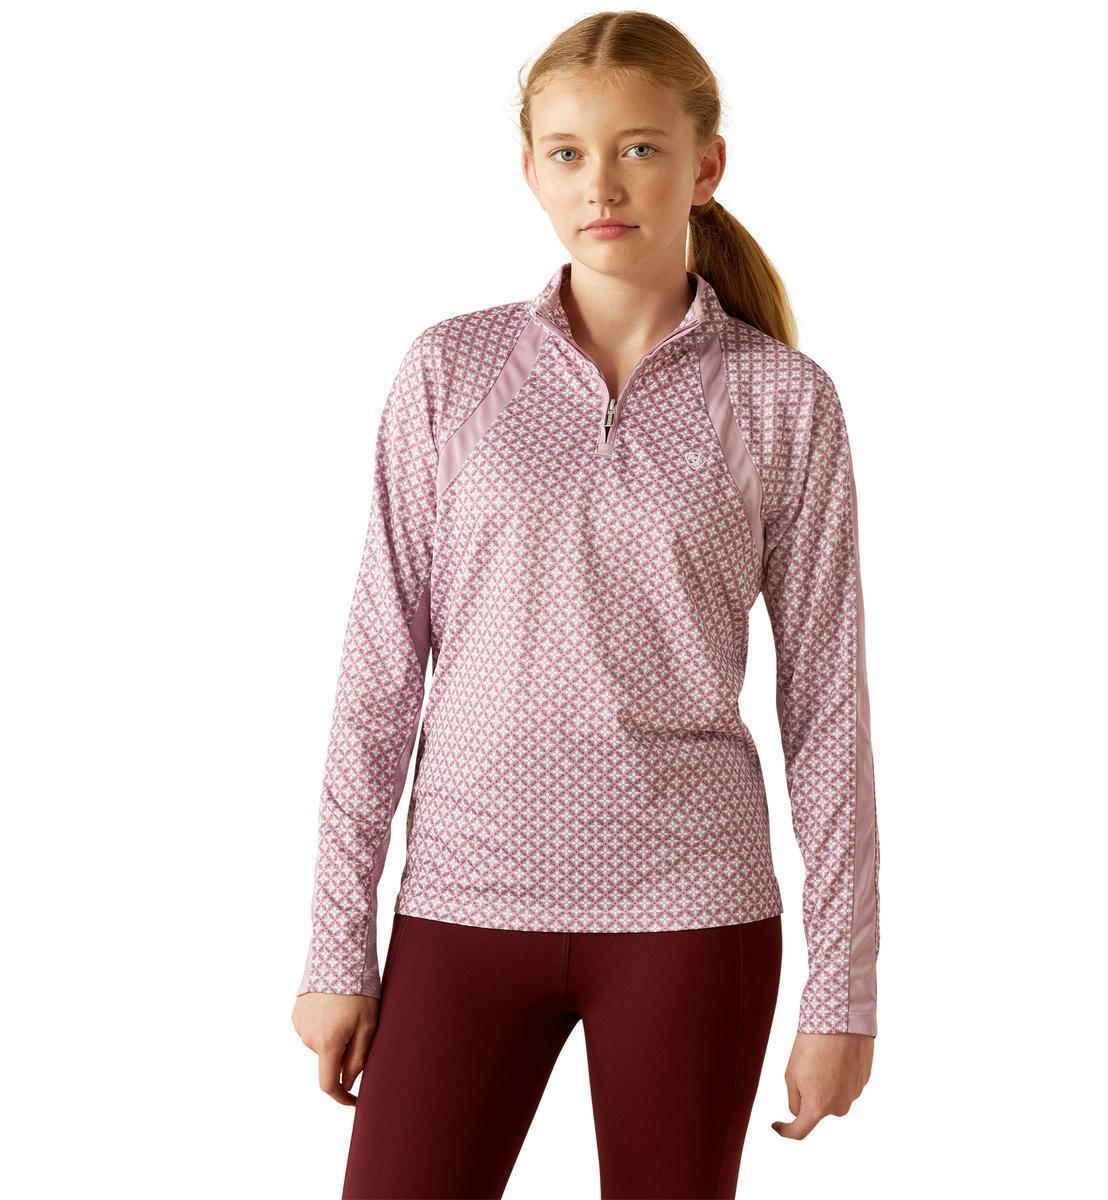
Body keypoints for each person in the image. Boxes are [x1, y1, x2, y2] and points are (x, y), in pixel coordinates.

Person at [291, 11, 880, 1199]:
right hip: (462, 900)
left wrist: (844, 993)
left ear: (706, 166)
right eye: (567, 152)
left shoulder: (784, 401)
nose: (600, 184)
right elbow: (379, 671)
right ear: (531, 171)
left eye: (638, 149)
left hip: (693, 913)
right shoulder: (450, 372)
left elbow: (827, 705)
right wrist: (336, 943)